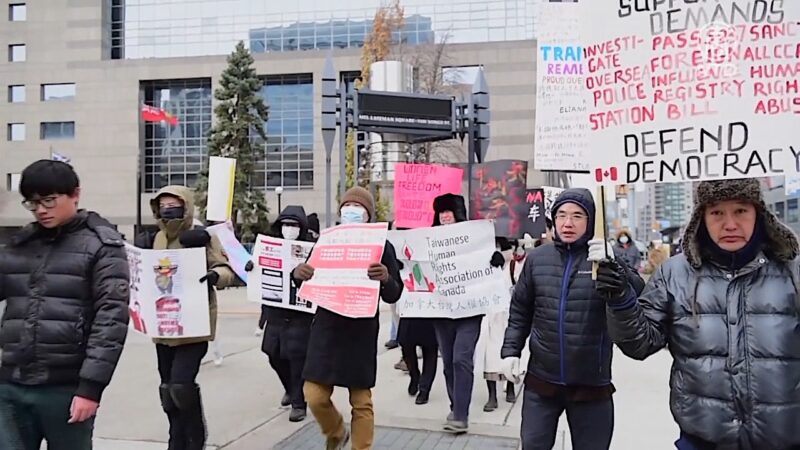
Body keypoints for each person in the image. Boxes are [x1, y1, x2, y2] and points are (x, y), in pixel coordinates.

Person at [606, 179, 800, 450]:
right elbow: (639, 343)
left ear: (759, 213)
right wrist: (620, 300)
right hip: (701, 441)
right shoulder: (674, 273)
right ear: (701, 217)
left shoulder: (792, 272)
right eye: (717, 212)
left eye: (741, 211)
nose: (730, 224)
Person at [0, 160, 130, 450]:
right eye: (32, 203)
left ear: (75, 194)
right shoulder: (19, 245)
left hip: (66, 388)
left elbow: (111, 322)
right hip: (11, 383)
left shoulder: (102, 246)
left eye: (49, 200)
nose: (41, 210)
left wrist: (90, 389)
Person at [501, 188, 645, 450]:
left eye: (578, 216)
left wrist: (615, 263)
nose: (568, 223)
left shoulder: (604, 260)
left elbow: (640, 295)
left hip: (591, 383)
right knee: (532, 444)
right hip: (541, 381)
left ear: (590, 221)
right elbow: (520, 308)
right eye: (562, 215)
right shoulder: (537, 259)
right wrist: (511, 350)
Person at [294, 187, 404, 450]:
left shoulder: (382, 246)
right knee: (313, 394)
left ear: (368, 215)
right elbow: (304, 284)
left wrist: (386, 278)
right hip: (326, 330)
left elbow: (395, 293)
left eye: (358, 208)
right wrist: (298, 274)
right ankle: (335, 432)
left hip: (360, 332)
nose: (351, 212)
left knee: (361, 401)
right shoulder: (326, 241)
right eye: (347, 207)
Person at [149, 186, 236, 450]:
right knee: (166, 389)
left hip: (194, 324)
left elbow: (226, 269)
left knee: (181, 385)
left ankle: (195, 437)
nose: (168, 209)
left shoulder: (203, 237)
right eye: (163, 205)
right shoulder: (157, 239)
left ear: (185, 206)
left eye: (173, 204)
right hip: (164, 324)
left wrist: (215, 276)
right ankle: (176, 437)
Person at [431, 193, 505, 434]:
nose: (444, 215)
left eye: (448, 211)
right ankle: (456, 406)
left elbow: (491, 265)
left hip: (469, 312)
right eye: (441, 211)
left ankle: (461, 415)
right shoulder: (429, 239)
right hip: (441, 312)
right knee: (449, 363)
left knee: (461, 359)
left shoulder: (475, 238)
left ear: (458, 213)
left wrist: (496, 260)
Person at [259, 205, 314, 423]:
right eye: (285, 224)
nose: (288, 229)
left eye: (293, 225)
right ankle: (290, 389)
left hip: (301, 314)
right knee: (272, 353)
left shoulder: (312, 248)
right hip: (275, 312)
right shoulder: (269, 246)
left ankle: (299, 403)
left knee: (297, 359)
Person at [476, 237, 518, 411]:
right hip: (489, 315)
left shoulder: (513, 264)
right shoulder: (480, 262)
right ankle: (491, 395)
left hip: (508, 315)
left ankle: (510, 386)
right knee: (489, 355)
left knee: (509, 353)